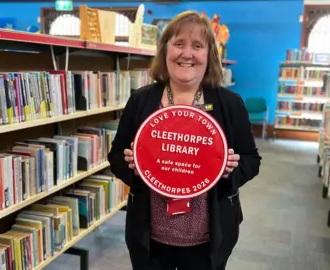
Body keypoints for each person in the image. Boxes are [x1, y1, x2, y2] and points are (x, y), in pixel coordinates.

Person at [108, 10, 261, 270]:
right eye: (179, 44)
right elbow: (116, 157)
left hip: (208, 239)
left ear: (209, 55)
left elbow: (251, 160)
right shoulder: (142, 100)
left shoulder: (229, 104)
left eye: (197, 46)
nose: (187, 54)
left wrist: (229, 170)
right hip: (150, 239)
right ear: (165, 50)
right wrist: (133, 165)